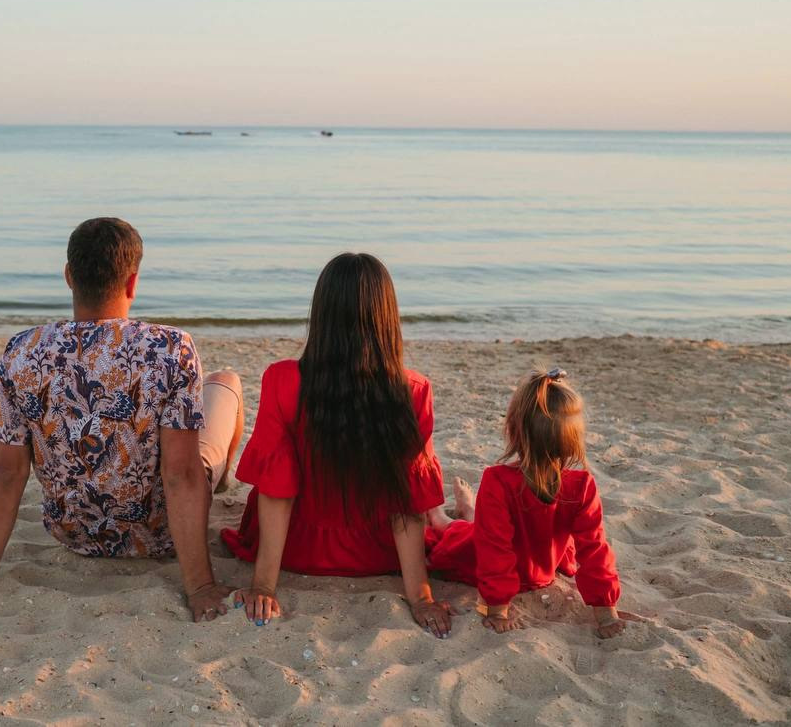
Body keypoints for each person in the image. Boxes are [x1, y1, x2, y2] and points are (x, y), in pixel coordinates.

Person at [0, 217, 244, 622]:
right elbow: (181, 474)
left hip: (75, 534)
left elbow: (6, 472)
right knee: (227, 382)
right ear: (132, 282)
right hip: (159, 535)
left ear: (68, 276)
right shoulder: (170, 349)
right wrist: (201, 587)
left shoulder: (22, 352)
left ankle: (217, 482)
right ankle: (221, 484)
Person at [221, 252, 462, 639]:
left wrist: (264, 586)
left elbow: (277, 491)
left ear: (321, 313)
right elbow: (409, 501)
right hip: (378, 552)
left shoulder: (282, 380)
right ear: (387, 318)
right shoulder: (414, 390)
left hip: (297, 550)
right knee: (437, 515)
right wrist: (420, 597)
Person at [425, 369, 626, 638]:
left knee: (473, 527)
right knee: (447, 529)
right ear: (574, 439)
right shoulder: (505, 481)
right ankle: (437, 512)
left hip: (512, 548)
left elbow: (594, 550)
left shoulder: (578, 486)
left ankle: (466, 511)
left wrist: (606, 610)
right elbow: (494, 551)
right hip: (488, 546)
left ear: (513, 431)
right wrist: (497, 609)